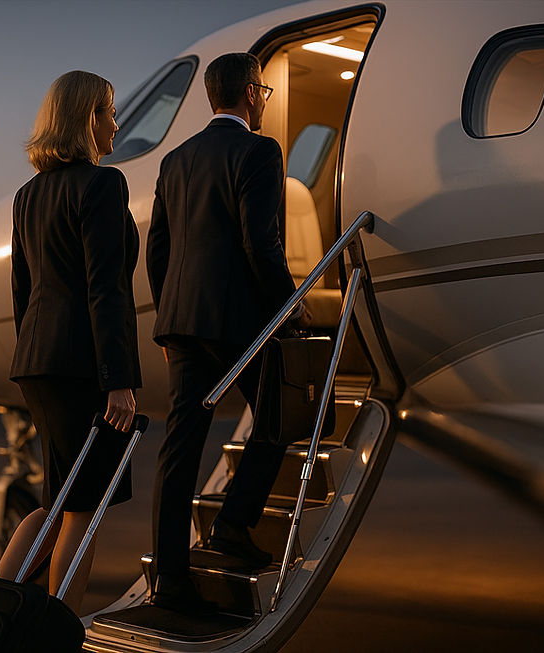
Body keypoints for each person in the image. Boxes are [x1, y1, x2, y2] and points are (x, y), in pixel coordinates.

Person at [147, 53, 311, 614]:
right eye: (263, 92)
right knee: (280, 416)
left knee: (180, 450)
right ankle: (233, 525)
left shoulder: (175, 160)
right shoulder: (260, 151)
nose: (264, 100)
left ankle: (170, 580)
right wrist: (289, 308)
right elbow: (259, 243)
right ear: (249, 93)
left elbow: (159, 251)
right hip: (238, 323)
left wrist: (169, 320)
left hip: (182, 323)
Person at [0, 70, 142, 614]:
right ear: (86, 118)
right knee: (84, 510)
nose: (116, 124)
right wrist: (118, 379)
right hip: (84, 369)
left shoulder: (26, 196)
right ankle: (60, 630)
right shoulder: (103, 185)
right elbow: (106, 288)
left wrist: (35, 355)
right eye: (109, 112)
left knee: (59, 501)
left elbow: (22, 291)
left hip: (39, 363)